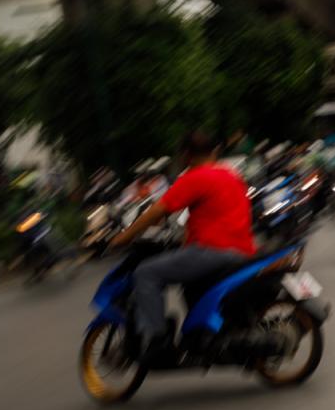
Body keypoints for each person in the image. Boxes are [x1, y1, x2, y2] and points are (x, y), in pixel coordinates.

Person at [109, 132, 257, 356]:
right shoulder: (232, 174)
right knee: (189, 282)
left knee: (145, 273)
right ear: (214, 151)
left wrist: (124, 237)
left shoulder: (194, 177)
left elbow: (157, 211)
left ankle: (158, 341)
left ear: (185, 155)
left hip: (213, 251)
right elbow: (215, 214)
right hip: (242, 250)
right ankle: (200, 335)